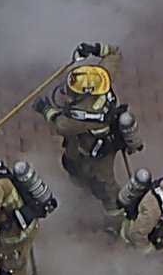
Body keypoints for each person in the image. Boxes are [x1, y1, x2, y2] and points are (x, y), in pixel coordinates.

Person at [32, 42, 132, 231]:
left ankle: (116, 222)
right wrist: (95, 49)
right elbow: (114, 53)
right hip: (79, 144)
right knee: (72, 164)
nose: (68, 93)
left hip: (98, 151)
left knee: (106, 187)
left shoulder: (84, 116)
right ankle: (81, 189)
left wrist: (45, 110)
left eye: (73, 92)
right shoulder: (103, 78)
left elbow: (61, 125)